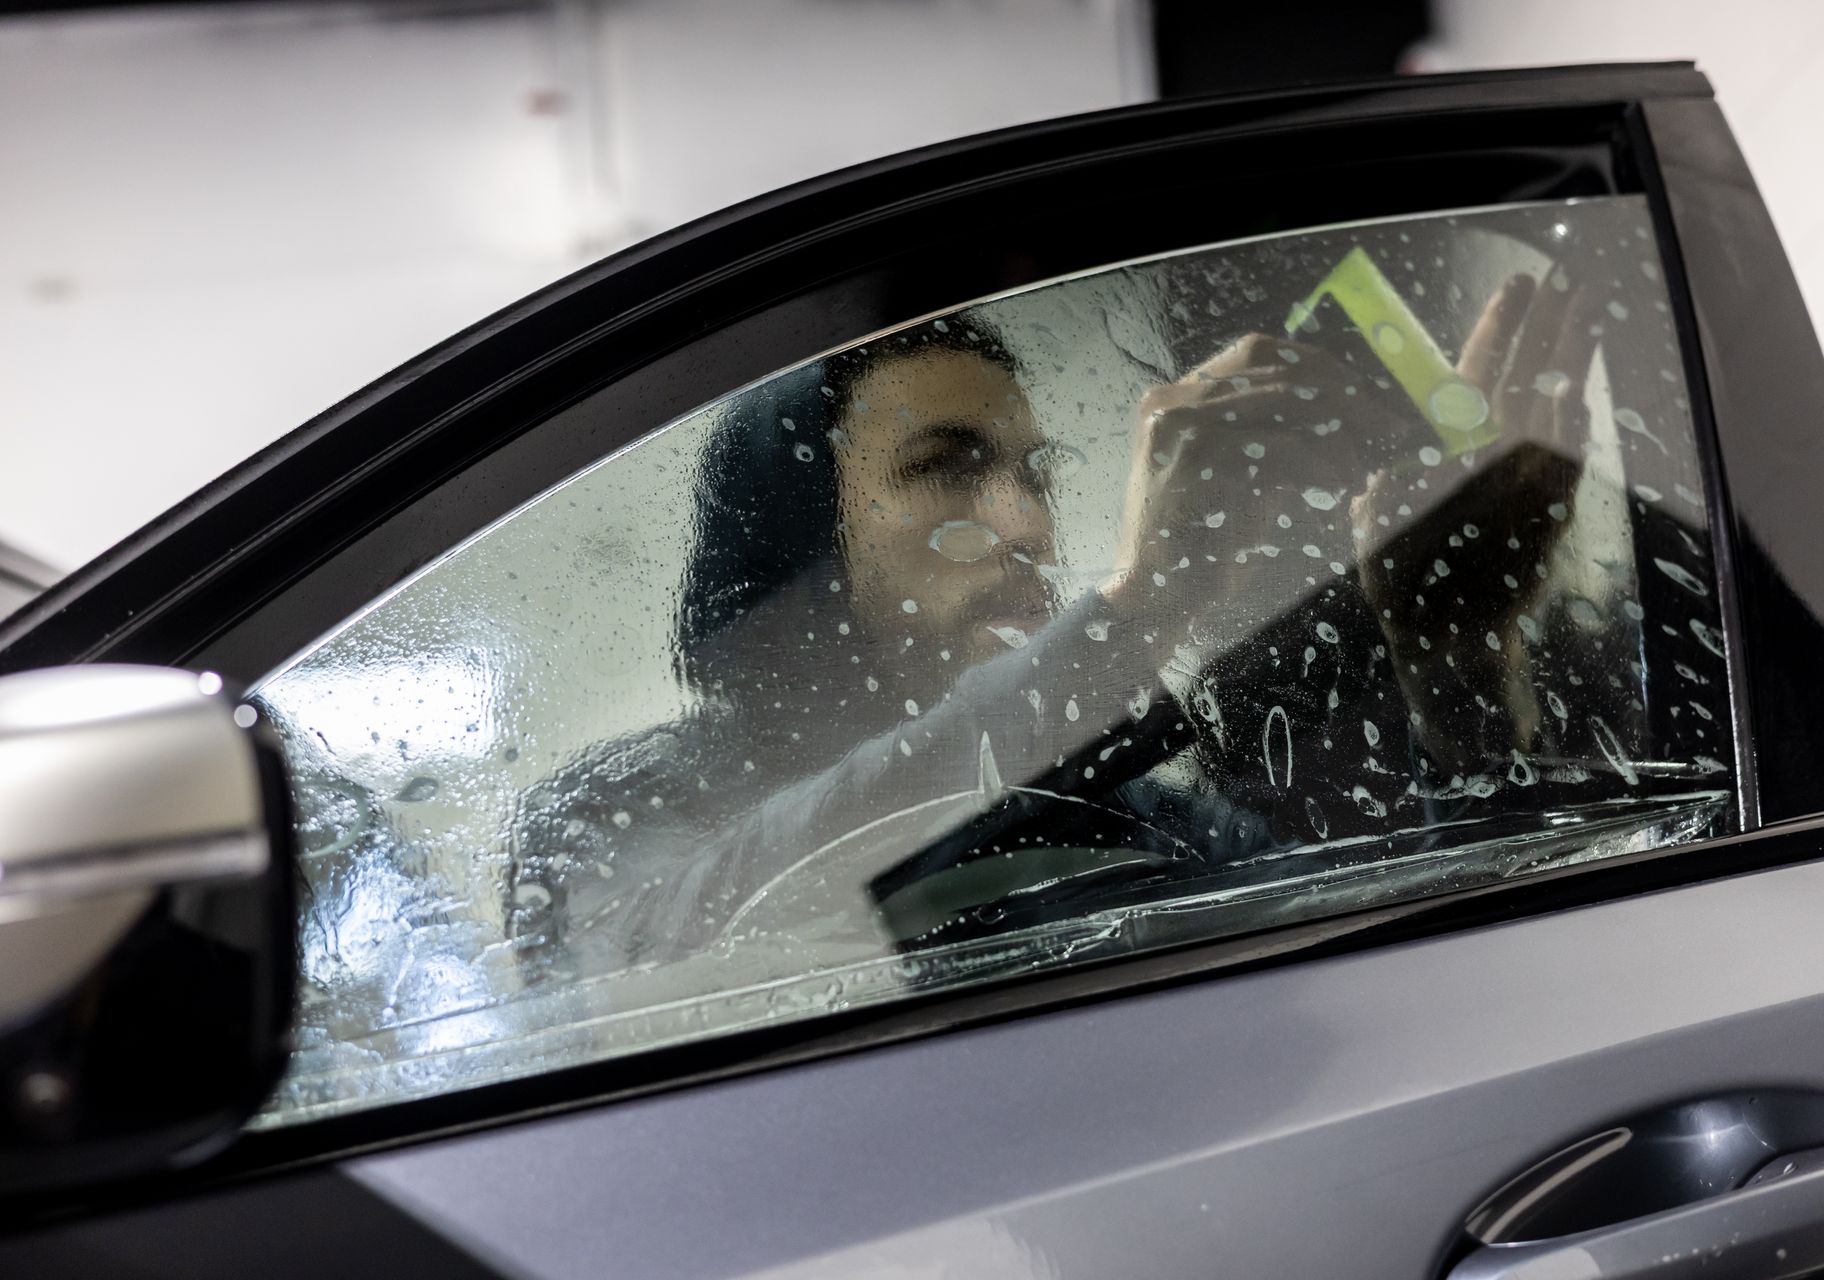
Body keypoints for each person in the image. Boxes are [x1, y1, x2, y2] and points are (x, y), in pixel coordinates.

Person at [508, 267, 1604, 984]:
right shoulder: (618, 806)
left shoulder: (1126, 801)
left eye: (1035, 472)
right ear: (800, 543)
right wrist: (1136, 609)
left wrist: (1454, 642)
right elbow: (671, 955)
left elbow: (1406, 960)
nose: (1027, 521)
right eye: (946, 467)